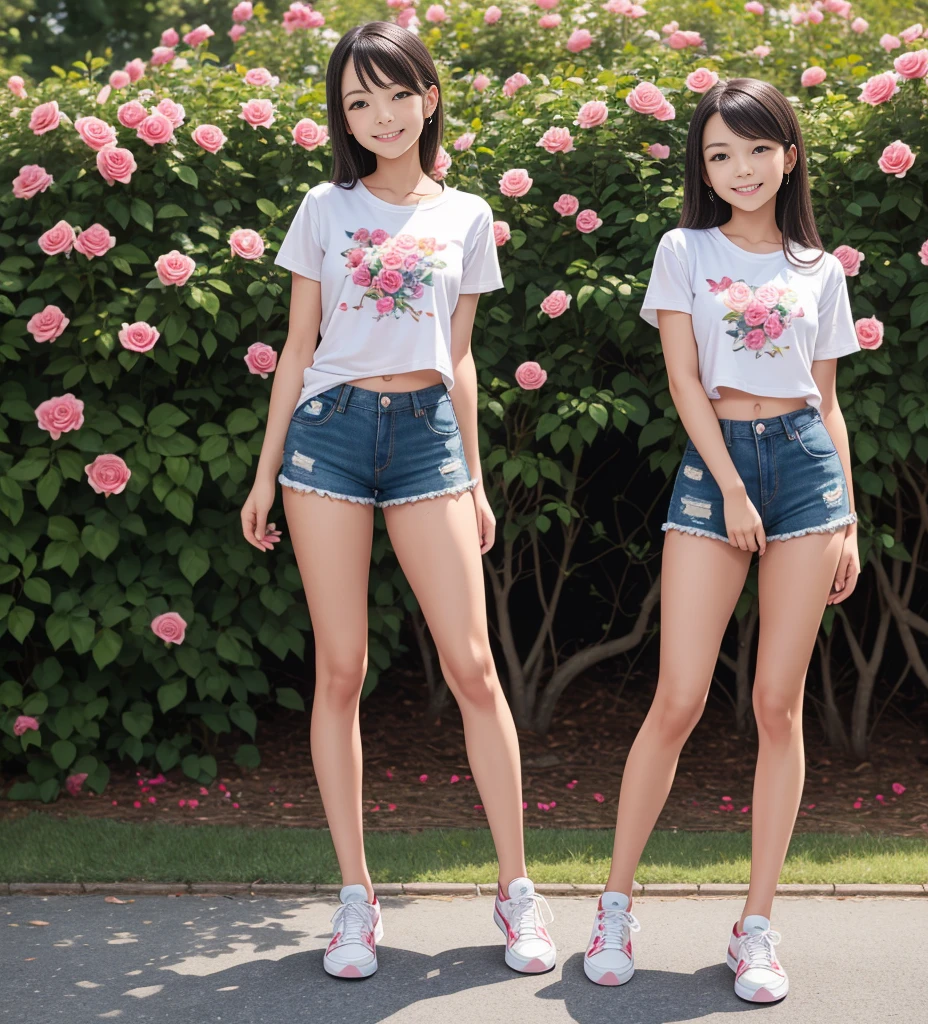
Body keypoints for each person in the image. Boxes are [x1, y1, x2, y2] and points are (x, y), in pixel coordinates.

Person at [239, 21, 556, 980]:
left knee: (473, 668)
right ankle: (354, 901)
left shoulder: (463, 215)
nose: (380, 115)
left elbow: (459, 356)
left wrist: (474, 475)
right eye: (357, 101)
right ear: (345, 116)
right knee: (341, 668)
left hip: (425, 441)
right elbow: (298, 347)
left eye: (394, 93)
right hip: (328, 436)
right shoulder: (323, 209)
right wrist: (264, 473)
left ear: (427, 94)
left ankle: (518, 894)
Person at [583, 78, 862, 1001]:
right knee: (679, 698)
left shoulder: (819, 268)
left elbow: (827, 401)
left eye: (755, 150)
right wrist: (736, 489)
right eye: (718, 155)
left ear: (789, 154)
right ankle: (615, 905)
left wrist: (849, 513)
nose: (739, 169)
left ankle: (756, 928)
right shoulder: (684, 250)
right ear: (703, 168)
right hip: (717, 474)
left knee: (778, 707)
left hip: (809, 475)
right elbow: (684, 384)